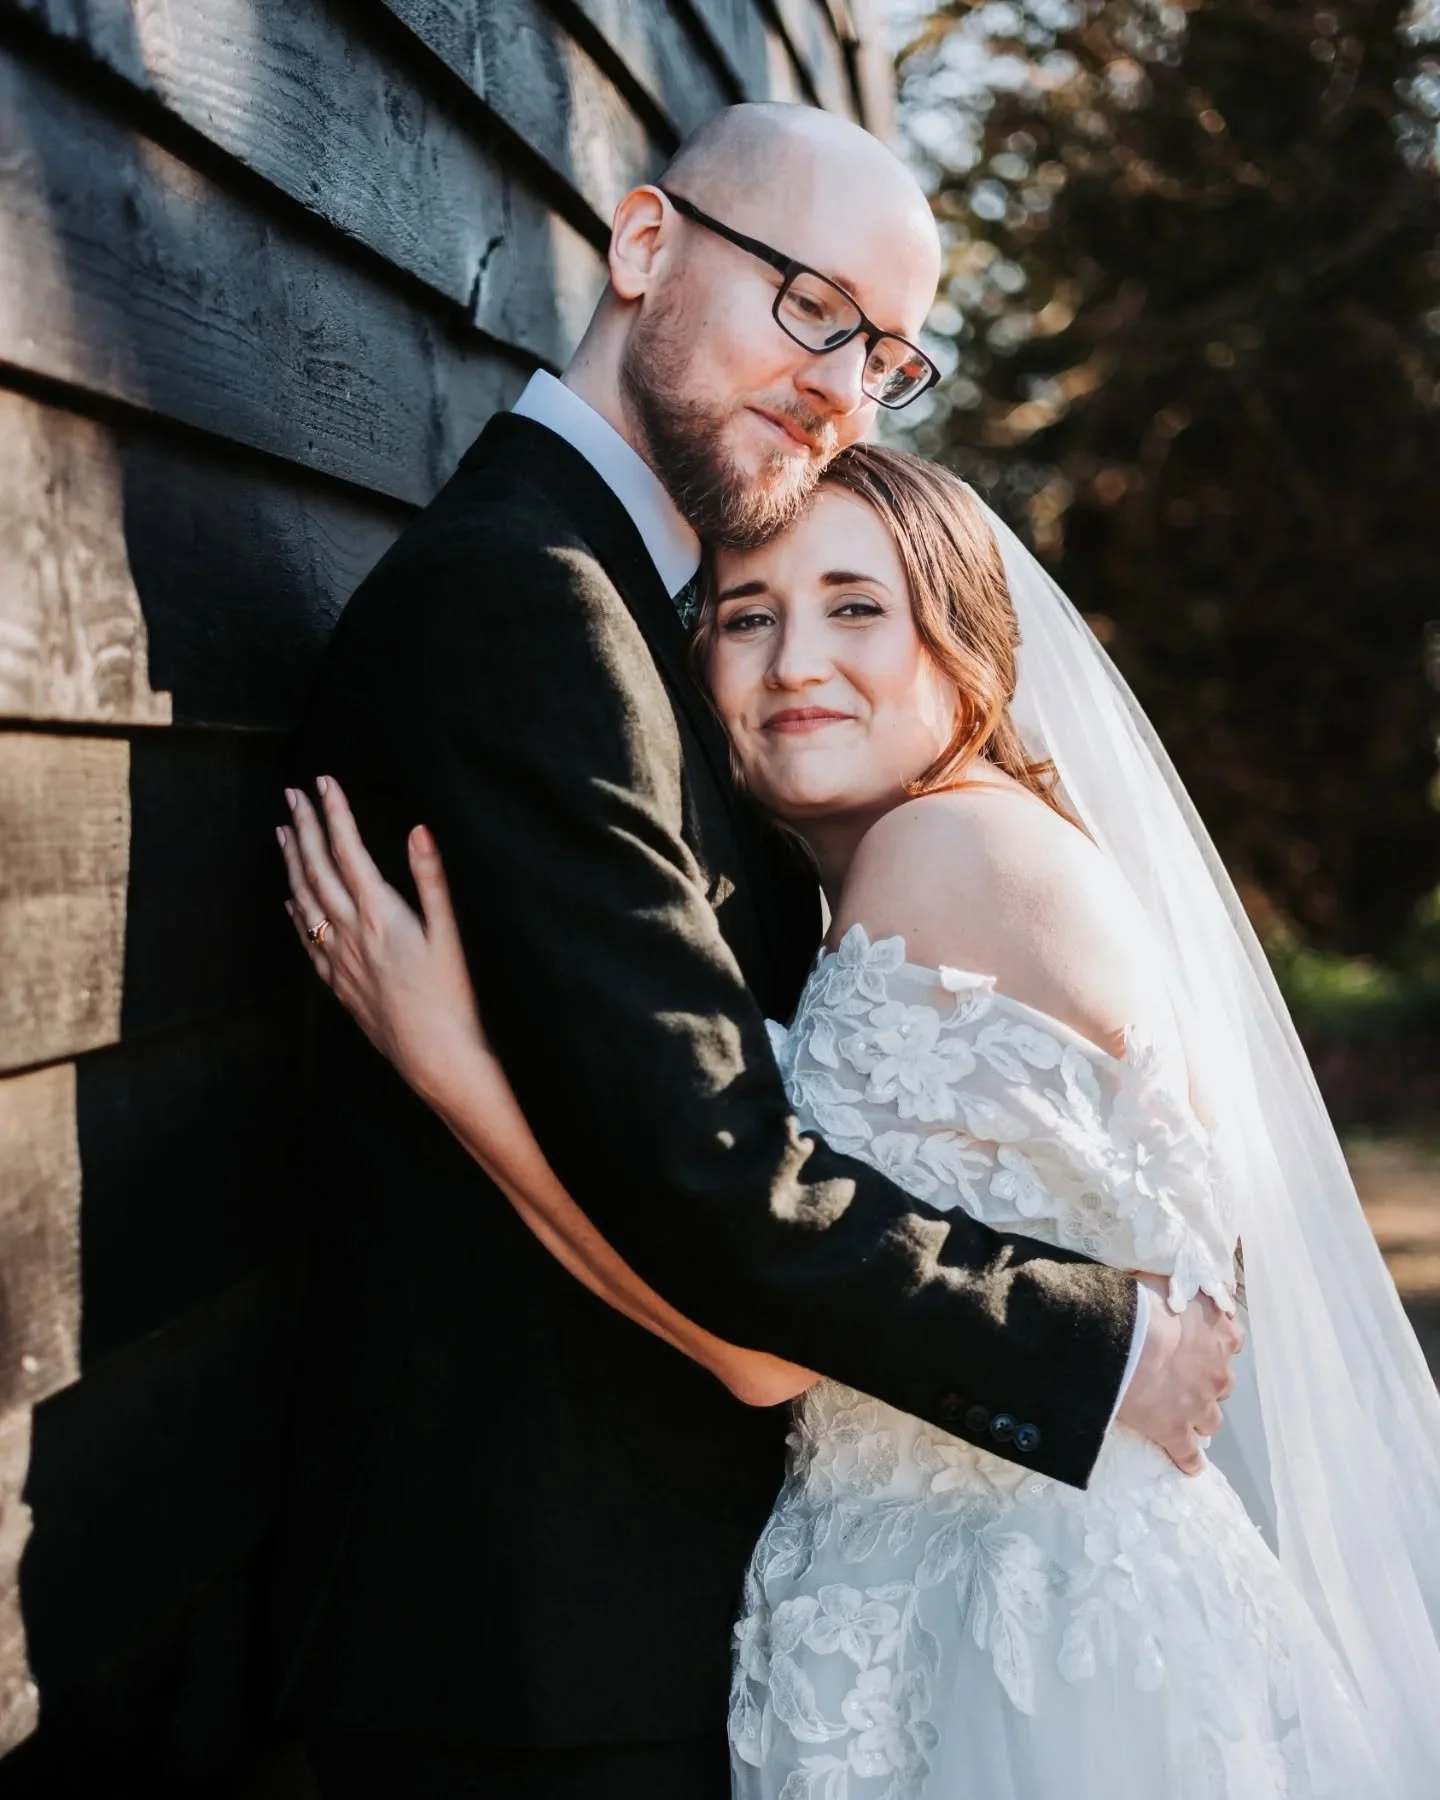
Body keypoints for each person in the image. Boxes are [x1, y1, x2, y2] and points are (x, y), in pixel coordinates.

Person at [270, 102, 1239, 1798]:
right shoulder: (532, 600)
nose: (842, 381)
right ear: (645, 248)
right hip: (526, 1635)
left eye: (888, 356)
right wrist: (1103, 1350)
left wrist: (461, 1065)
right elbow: (714, 1178)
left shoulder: (698, 667)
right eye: (813, 307)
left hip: (810, 1614)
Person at [282, 442, 1440, 1796]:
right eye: (747, 614)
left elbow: (762, 1342)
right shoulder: (929, 863)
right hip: (977, 1583)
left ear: (964, 645)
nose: (792, 662)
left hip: (1020, 1635)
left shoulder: (946, 857)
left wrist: (453, 1065)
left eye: (855, 606)